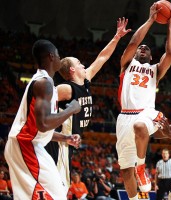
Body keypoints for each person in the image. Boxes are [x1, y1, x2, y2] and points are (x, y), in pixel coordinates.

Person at [45, 17, 131, 188]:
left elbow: (102, 57)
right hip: (59, 143)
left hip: (68, 143)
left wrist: (117, 37)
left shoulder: (85, 81)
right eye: (79, 63)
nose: (83, 65)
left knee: (61, 187)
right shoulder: (66, 89)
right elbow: (41, 101)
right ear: (72, 70)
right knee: (58, 188)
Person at [4, 39, 81, 199]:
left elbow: (38, 128)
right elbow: (44, 124)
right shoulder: (43, 84)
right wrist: (71, 110)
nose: (60, 59)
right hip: (25, 145)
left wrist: (65, 138)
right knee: (56, 195)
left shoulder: (46, 84)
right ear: (51, 56)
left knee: (55, 193)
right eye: (59, 55)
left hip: (29, 143)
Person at [116, 2, 171, 200]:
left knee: (142, 126)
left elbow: (169, 54)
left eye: (147, 49)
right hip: (124, 118)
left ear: (151, 56)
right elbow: (133, 42)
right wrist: (151, 19)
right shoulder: (127, 64)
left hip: (146, 111)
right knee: (126, 172)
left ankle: (141, 167)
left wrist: (169, 26)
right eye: (140, 48)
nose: (142, 48)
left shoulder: (155, 71)